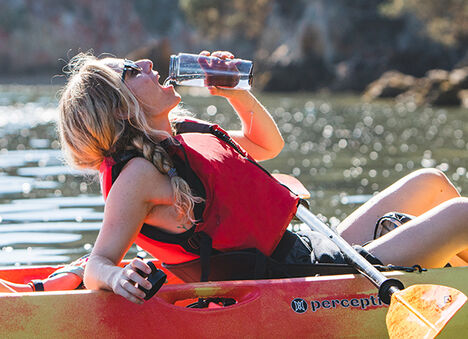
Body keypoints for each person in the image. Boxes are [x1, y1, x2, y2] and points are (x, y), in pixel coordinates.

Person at [57, 51, 468, 304]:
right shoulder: (138, 175)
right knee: (462, 214)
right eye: (133, 70)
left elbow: (266, 145)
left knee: (430, 181)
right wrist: (116, 276)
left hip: (312, 248)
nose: (147, 63)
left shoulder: (185, 132)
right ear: (122, 110)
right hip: (300, 282)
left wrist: (236, 92)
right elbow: (99, 262)